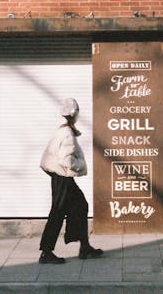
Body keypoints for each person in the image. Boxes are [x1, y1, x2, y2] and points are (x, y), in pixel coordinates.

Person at [38, 98, 103, 264]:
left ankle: (84, 246)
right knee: (58, 212)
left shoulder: (63, 130)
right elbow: (66, 161)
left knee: (81, 205)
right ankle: (46, 252)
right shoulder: (67, 133)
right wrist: (80, 166)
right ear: (74, 115)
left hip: (61, 177)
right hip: (62, 178)